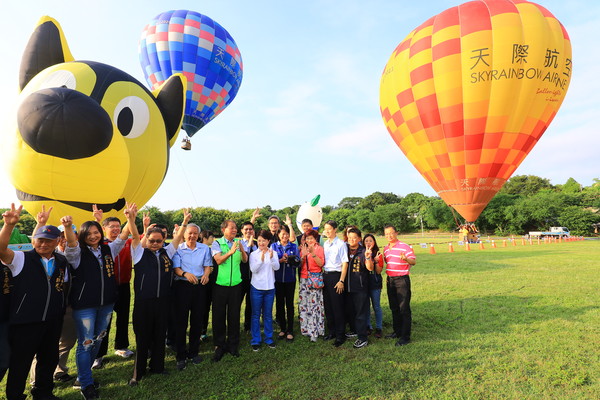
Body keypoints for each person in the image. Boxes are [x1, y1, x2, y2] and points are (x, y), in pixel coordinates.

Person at [62, 203, 137, 400]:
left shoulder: (107, 250)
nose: (94, 236)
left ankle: (83, 376)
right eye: (89, 234)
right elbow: (70, 244)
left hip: (106, 303)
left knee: (99, 338)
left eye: (96, 232)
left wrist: (130, 219)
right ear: (83, 237)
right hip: (85, 306)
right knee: (86, 343)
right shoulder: (77, 254)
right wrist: (69, 228)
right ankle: (86, 384)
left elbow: (122, 238)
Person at [0, 204, 68, 400]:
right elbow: (1, 249)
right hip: (25, 322)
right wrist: (8, 225)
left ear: (57, 241)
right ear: (33, 240)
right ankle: (15, 395)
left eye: (48, 241)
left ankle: (43, 392)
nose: (43, 244)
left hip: (52, 321)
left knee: (48, 359)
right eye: (39, 240)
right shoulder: (21, 258)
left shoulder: (61, 261)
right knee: (20, 362)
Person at [128, 209, 190, 386]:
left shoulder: (167, 253)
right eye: (152, 240)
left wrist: (184, 222)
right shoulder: (139, 253)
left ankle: (158, 367)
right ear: (146, 239)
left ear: (163, 241)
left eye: (159, 241)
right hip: (144, 303)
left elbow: (177, 239)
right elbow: (133, 235)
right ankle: (137, 373)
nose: (155, 244)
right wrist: (132, 219)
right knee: (143, 338)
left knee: (159, 335)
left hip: (163, 301)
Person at [92, 206, 134, 369]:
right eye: (112, 226)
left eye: (118, 226)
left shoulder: (127, 242)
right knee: (104, 322)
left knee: (123, 318)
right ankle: (99, 355)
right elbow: (88, 235)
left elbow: (137, 236)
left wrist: (132, 219)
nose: (116, 229)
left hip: (123, 286)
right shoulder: (99, 244)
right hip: (106, 287)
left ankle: (121, 347)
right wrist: (96, 220)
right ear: (104, 228)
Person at [172, 223, 214, 371]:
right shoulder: (178, 249)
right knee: (181, 322)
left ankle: (194, 352)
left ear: (199, 235)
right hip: (182, 286)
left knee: (197, 320)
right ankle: (181, 355)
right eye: (190, 233)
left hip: (199, 287)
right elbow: (176, 269)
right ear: (184, 234)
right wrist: (185, 274)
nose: (192, 236)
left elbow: (208, 265)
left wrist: (206, 274)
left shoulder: (204, 248)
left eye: (195, 233)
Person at [210, 220, 248, 361]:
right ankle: (219, 346)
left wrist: (242, 250)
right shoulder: (217, 243)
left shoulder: (240, 243)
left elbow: (245, 260)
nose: (234, 230)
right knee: (219, 316)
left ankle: (233, 344)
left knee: (234, 315)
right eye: (232, 227)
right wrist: (231, 252)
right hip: (220, 285)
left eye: (235, 227)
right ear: (224, 229)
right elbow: (218, 260)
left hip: (236, 285)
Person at [382, 225, 416, 346]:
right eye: (386, 234)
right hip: (390, 279)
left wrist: (406, 259)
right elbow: (388, 262)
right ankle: (397, 331)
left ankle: (405, 337)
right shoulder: (385, 249)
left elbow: (414, 261)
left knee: (404, 308)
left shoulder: (404, 247)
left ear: (396, 233)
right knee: (394, 307)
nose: (389, 236)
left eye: (391, 233)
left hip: (402, 280)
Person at [248, 230, 279, 351]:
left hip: (269, 288)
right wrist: (261, 259)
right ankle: (256, 340)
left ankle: (269, 338)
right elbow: (253, 270)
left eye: (264, 241)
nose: (261, 243)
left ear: (268, 241)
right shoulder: (253, 254)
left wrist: (271, 258)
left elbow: (276, 267)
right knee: (255, 315)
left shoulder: (273, 253)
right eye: (259, 240)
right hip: (256, 288)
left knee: (268, 315)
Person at [321, 220, 349, 347]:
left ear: (335, 229)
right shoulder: (325, 244)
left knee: (338, 307)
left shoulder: (341, 244)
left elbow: (345, 263)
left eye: (329, 229)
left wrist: (341, 280)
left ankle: (340, 335)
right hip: (325, 276)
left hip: (336, 276)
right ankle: (331, 331)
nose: (327, 231)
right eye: (325, 229)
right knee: (328, 307)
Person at [345, 228, 373, 349]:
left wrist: (367, 258)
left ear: (359, 239)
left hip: (360, 288)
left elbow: (370, 268)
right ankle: (355, 330)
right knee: (351, 311)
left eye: (354, 238)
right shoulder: (345, 249)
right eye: (349, 237)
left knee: (360, 314)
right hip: (347, 287)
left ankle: (362, 338)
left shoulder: (362, 251)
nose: (351, 240)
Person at [271, 225, 300, 341]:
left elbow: (298, 262)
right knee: (279, 304)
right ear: (278, 235)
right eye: (282, 234)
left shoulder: (293, 246)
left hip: (290, 280)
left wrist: (291, 259)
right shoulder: (273, 246)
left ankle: (290, 330)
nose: (285, 236)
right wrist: (280, 260)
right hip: (277, 280)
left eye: (287, 233)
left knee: (289, 304)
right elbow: (271, 262)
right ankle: (283, 329)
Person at [297, 229, 325, 342]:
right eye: (307, 238)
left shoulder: (319, 249)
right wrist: (303, 256)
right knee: (304, 304)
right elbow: (300, 265)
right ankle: (305, 329)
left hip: (315, 279)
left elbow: (321, 264)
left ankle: (316, 331)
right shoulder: (303, 248)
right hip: (304, 278)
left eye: (311, 238)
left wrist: (313, 253)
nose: (309, 240)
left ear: (316, 239)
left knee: (315, 305)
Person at [363, 234, 384, 339]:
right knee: (366, 307)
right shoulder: (361, 253)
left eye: (370, 241)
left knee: (376, 306)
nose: (368, 243)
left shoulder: (378, 254)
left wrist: (376, 261)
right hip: (364, 284)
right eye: (366, 241)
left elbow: (378, 271)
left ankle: (379, 328)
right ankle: (368, 327)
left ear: (374, 242)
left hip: (375, 283)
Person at [239, 222, 257, 333]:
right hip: (240, 278)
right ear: (242, 231)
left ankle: (248, 326)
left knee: (251, 304)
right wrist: (248, 244)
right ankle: (235, 326)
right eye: (246, 229)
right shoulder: (238, 243)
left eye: (250, 229)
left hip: (253, 279)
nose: (248, 231)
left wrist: (252, 244)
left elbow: (258, 257)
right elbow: (243, 258)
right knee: (237, 303)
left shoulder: (257, 244)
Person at [199, 230, 216, 341]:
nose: (213, 239)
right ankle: (199, 331)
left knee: (206, 307)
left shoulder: (211, 250)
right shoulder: (199, 249)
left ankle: (203, 331)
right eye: (212, 237)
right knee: (201, 308)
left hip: (211, 284)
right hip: (201, 283)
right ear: (206, 237)